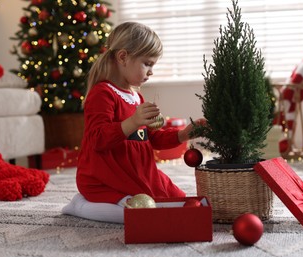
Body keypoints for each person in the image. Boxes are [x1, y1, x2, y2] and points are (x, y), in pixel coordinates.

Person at [62, 22, 205, 223]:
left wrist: (184, 133)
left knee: (181, 202)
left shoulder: (137, 98)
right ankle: (81, 205)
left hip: (140, 173)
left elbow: (153, 138)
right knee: (141, 215)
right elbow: (97, 139)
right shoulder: (102, 94)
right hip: (108, 178)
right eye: (147, 63)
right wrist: (133, 121)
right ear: (123, 57)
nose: (151, 71)